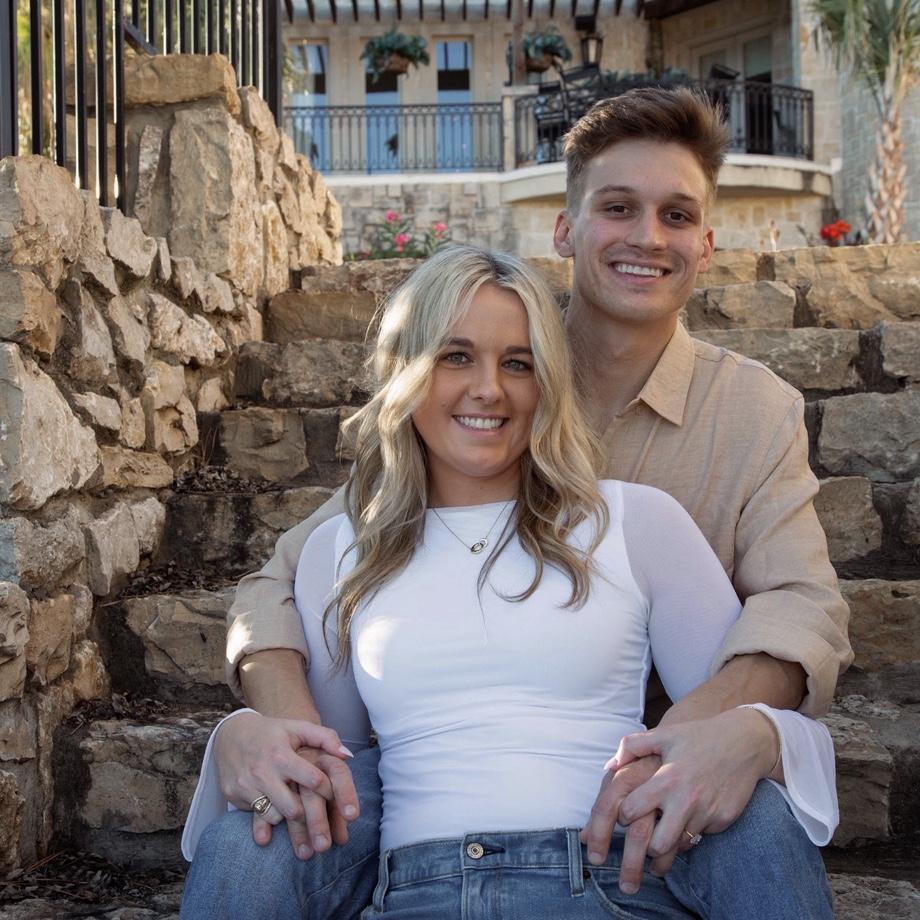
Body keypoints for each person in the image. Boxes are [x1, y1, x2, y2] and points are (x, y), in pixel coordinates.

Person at [182, 87, 852, 916]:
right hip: (432, 785)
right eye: (618, 207)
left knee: (753, 817)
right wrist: (264, 727)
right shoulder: (485, 362)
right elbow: (294, 579)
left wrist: (718, 731)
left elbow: (802, 605)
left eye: (676, 215)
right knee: (252, 845)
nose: (648, 237)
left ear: (706, 243)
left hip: (630, 790)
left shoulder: (746, 416)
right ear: (564, 229)